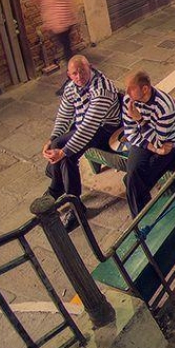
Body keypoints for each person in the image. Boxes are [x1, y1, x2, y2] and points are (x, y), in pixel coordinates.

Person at [42, 55, 121, 230]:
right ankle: (57, 188)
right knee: (56, 145)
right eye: (74, 73)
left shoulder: (102, 89)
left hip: (106, 130)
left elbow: (89, 127)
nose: (79, 77)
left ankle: (75, 207)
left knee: (68, 155)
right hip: (83, 126)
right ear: (69, 75)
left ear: (90, 68)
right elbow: (64, 116)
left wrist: (64, 152)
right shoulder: (72, 87)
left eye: (82, 71)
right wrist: (52, 139)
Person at [122, 70, 175, 217]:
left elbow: (160, 141)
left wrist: (140, 120)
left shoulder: (164, 107)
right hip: (145, 142)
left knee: (132, 181)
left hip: (172, 144)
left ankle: (139, 221)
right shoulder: (129, 100)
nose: (127, 93)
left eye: (131, 89)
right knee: (133, 176)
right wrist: (152, 148)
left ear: (144, 89)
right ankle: (141, 218)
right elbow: (130, 132)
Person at [30, 0, 78, 96]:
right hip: (57, 26)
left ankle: (73, 81)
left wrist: (61, 24)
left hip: (62, 26)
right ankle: (74, 77)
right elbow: (37, 1)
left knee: (68, 54)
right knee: (67, 53)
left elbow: (65, 5)